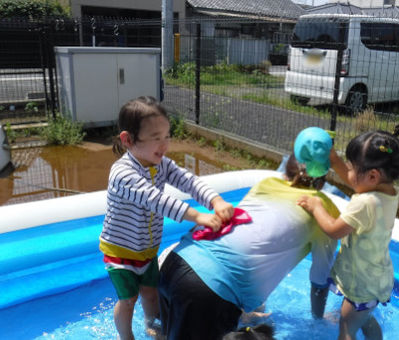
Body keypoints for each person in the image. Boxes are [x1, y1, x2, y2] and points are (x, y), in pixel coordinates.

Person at [158, 154, 340, 340]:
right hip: (207, 290)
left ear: (287, 172)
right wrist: (319, 320)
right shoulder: (324, 212)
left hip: (172, 263)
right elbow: (320, 280)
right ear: (322, 181)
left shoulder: (268, 184)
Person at [99, 96, 234, 340]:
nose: (164, 144)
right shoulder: (123, 173)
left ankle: (154, 328)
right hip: (120, 251)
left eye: (167, 136)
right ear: (128, 140)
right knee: (128, 299)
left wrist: (216, 201)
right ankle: (126, 336)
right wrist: (198, 216)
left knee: (151, 293)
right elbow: (157, 200)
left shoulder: (159, 163)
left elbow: (187, 181)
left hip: (147, 249)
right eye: (155, 138)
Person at [297, 126, 399, 340]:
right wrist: (335, 160)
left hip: (361, 283)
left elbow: (333, 231)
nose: (348, 171)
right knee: (364, 318)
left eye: (352, 167)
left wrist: (316, 207)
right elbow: (357, 182)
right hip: (377, 276)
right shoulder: (387, 193)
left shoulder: (365, 203)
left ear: (372, 176)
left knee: (346, 327)